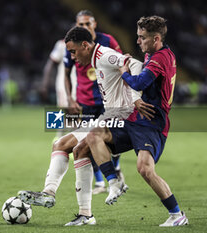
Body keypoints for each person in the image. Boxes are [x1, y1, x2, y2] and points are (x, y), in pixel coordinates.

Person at [18, 26, 155, 226]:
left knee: (64, 144)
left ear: (85, 45)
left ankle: (54, 193)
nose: (72, 56)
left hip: (120, 118)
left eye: (73, 51)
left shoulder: (105, 55)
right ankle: (84, 214)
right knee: (70, 148)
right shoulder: (96, 58)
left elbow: (136, 64)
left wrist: (134, 97)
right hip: (108, 116)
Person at [85, 16, 189, 227]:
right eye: (138, 36)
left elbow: (139, 81)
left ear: (156, 38)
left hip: (152, 123)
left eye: (142, 38)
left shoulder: (160, 58)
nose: (138, 41)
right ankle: (113, 182)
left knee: (145, 169)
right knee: (95, 134)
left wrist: (123, 72)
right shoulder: (157, 54)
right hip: (134, 119)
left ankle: (177, 214)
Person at [63, 9, 126, 194]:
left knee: (113, 140)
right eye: (80, 24)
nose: (84, 26)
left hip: (108, 101)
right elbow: (66, 74)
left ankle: (115, 171)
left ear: (94, 24)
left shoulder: (108, 41)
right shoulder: (72, 46)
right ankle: (100, 183)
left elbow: (122, 65)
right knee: (89, 141)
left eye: (87, 23)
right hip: (86, 101)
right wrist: (69, 98)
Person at [41, 39, 77, 139]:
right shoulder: (61, 44)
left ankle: (63, 140)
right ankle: (61, 140)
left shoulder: (86, 44)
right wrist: (45, 84)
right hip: (64, 84)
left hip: (79, 84)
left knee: (74, 114)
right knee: (67, 112)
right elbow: (50, 64)